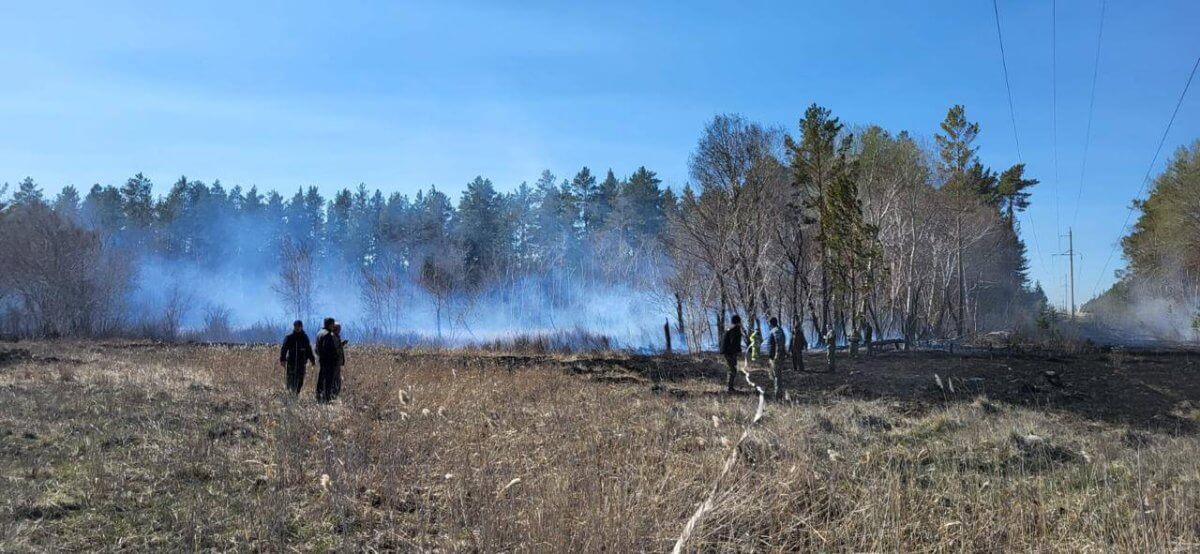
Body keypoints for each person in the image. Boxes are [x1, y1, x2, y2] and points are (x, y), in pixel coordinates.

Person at [279, 320, 315, 396]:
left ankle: (296, 393)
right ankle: (290, 394)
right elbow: (284, 349)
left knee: (300, 380)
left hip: (301, 363)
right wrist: (282, 359)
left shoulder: (305, 338)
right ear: (294, 327)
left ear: (302, 327)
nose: (297, 328)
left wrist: (312, 359)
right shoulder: (289, 337)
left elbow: (308, 349)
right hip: (291, 362)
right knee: (290, 380)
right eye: (296, 326)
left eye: (299, 326)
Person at [315, 317, 341, 403]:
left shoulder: (319, 333)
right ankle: (326, 400)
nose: (334, 326)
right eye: (333, 324)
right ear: (330, 324)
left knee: (321, 379)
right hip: (329, 362)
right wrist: (335, 357)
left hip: (322, 361)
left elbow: (316, 349)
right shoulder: (327, 335)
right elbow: (328, 349)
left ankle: (318, 397)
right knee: (328, 381)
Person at [720, 315, 744, 392]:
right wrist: (738, 352)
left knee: (732, 368)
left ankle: (729, 387)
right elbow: (734, 342)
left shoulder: (729, 328)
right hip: (730, 352)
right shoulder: (735, 329)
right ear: (738, 322)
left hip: (726, 351)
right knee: (732, 369)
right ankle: (729, 388)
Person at [765, 317, 787, 398]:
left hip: (776, 358)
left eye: (769, 323)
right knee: (774, 375)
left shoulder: (776, 330)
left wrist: (776, 356)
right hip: (773, 357)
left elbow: (779, 344)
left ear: (771, 323)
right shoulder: (776, 330)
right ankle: (777, 393)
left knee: (777, 376)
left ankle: (778, 395)